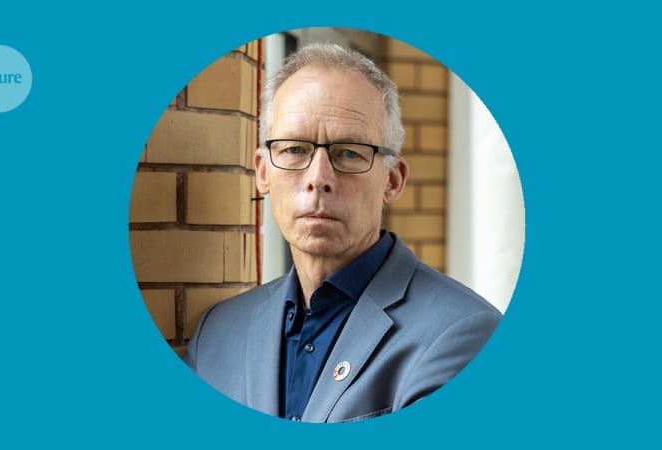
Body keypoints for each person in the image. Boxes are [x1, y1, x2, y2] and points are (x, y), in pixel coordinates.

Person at [183, 42, 502, 423]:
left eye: (349, 152)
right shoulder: (216, 332)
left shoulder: (463, 334)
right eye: (295, 149)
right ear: (263, 172)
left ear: (393, 180)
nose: (318, 178)